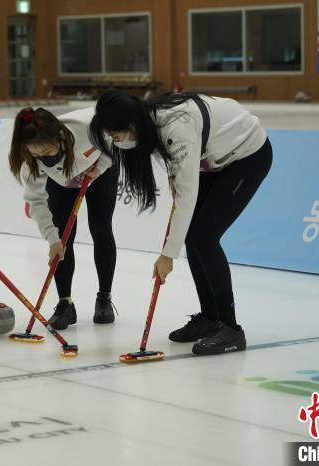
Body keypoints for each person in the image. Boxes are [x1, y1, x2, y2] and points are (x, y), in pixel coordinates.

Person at [89, 90, 272, 355]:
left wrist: (167, 255)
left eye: (116, 136)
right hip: (213, 158)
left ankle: (231, 329)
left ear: (131, 125)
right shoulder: (146, 124)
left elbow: (186, 196)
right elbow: (173, 172)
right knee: (193, 236)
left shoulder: (176, 127)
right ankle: (211, 318)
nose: (116, 142)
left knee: (204, 237)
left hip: (246, 155)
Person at [9, 107, 118, 330]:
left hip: (98, 171)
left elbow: (113, 141)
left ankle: (104, 298)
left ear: (60, 136)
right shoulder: (32, 164)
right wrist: (52, 240)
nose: (44, 158)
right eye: (38, 155)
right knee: (62, 237)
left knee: (101, 227)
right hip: (61, 182)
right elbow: (37, 203)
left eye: (48, 151)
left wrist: (100, 167)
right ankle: (65, 303)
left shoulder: (88, 127)